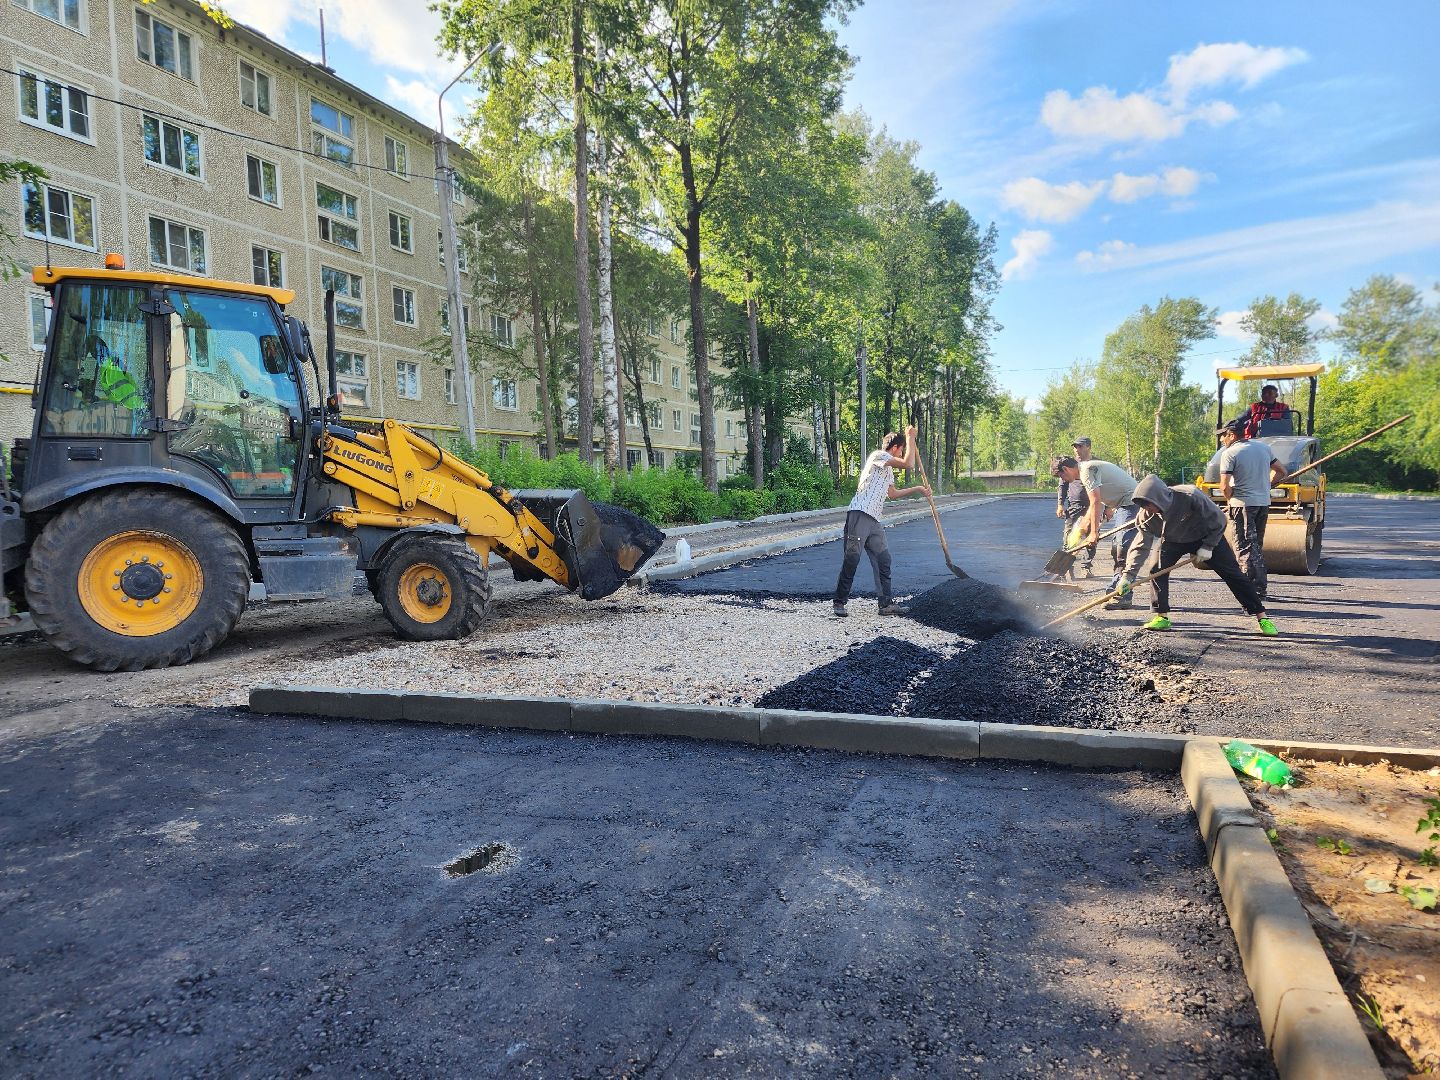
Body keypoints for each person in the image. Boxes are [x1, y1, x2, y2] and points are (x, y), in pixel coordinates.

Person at [1115, 474, 1278, 636]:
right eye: (1142, 505)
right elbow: (1140, 545)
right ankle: (1161, 616)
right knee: (1156, 570)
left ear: (1159, 497)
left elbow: (1220, 520)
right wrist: (1128, 575)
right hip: (1173, 540)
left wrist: (1208, 546)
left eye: (1148, 503)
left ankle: (1261, 617)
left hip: (1206, 537)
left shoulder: (1190, 495)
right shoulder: (1146, 516)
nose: (1146, 508)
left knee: (1233, 575)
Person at [833, 424, 931, 617]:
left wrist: (919, 489)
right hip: (859, 514)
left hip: (874, 520)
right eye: (901, 448)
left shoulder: (888, 470)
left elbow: (892, 494)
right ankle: (839, 602)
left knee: (883, 559)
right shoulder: (878, 456)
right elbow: (909, 464)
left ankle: (885, 604)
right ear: (895, 447)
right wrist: (910, 438)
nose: (902, 452)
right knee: (852, 558)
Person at [1050, 453, 1138, 607]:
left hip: (1131, 503)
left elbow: (1096, 501)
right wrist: (1083, 525)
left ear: (1066, 469)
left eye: (1061, 476)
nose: (1062, 480)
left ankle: (1123, 595)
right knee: (1117, 548)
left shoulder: (1087, 470)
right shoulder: (1086, 470)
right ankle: (1115, 591)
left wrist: (1093, 533)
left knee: (1122, 548)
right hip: (1123, 504)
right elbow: (1096, 502)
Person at [1217, 419, 1286, 601]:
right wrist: (1266, 485)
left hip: (1243, 505)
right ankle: (1256, 588)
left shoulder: (1230, 453)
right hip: (1263, 503)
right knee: (1255, 546)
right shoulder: (1263, 448)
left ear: (1232, 435)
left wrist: (1231, 498)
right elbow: (1281, 471)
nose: (1222, 440)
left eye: (1223, 436)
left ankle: (1253, 591)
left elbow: (1224, 486)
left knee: (1245, 548)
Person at [1055, 437, 1097, 576]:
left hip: (1093, 505)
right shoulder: (1070, 465)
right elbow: (1062, 485)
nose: (1076, 450)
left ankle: (1086, 566)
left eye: (1080, 446)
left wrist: (1108, 508)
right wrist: (1060, 504)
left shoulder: (1095, 464)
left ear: (1088, 447)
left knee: (1091, 537)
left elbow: (1104, 487)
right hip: (1074, 506)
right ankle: (1067, 568)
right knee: (1069, 537)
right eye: (1075, 447)